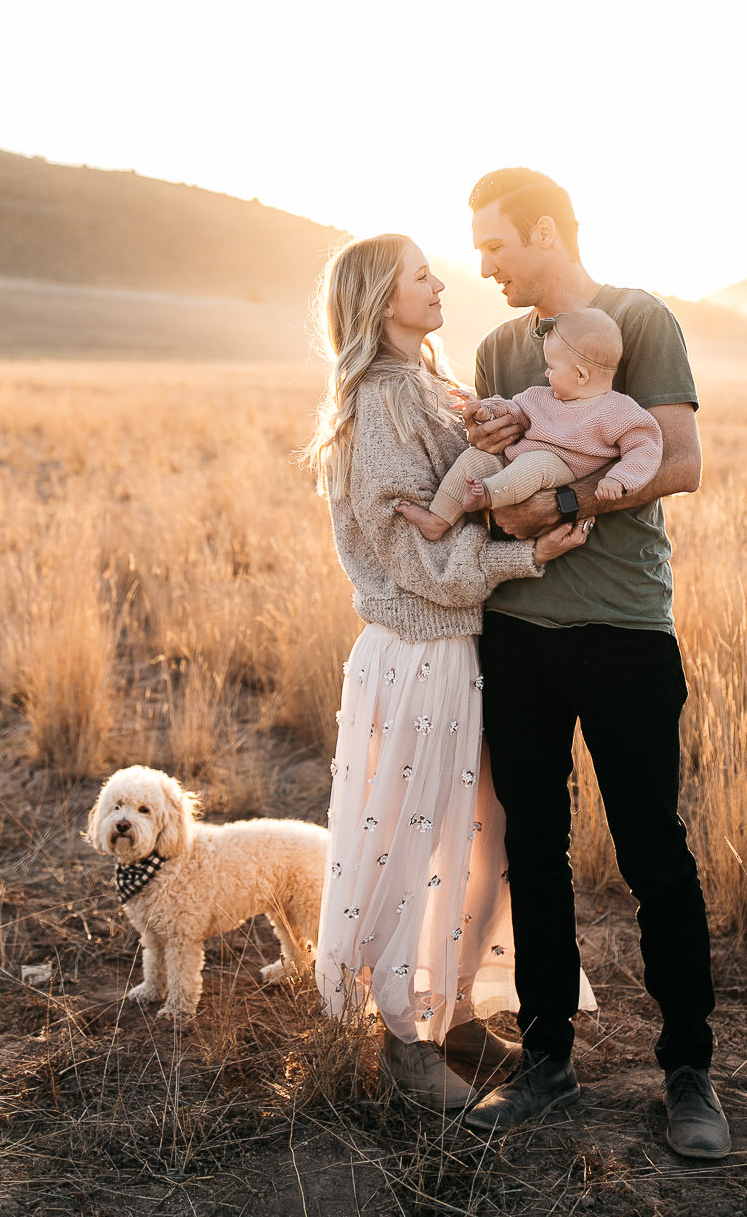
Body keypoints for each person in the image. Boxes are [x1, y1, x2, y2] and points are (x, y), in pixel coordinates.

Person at [455, 169, 731, 1161]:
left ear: (547, 231)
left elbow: (682, 460)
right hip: (517, 636)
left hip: (623, 634)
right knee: (534, 849)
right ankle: (547, 1062)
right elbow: (488, 479)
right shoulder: (496, 348)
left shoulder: (640, 319)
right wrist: (485, 476)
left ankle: (689, 1072)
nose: (483, 264)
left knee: (655, 851)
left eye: (496, 244)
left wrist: (565, 507)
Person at [305, 233, 594, 1112]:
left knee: (480, 838)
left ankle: (456, 1012)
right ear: (380, 299)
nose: (440, 284)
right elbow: (412, 560)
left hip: (455, 646)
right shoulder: (384, 400)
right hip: (420, 650)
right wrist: (527, 554)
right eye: (421, 274)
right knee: (417, 841)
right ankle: (405, 1042)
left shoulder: (426, 385)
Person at [396, 308, 662, 537]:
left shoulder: (618, 410)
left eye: (552, 367)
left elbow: (645, 447)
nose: (546, 373)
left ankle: (487, 496)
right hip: (517, 467)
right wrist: (484, 410)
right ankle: (438, 520)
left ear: (581, 374)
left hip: (565, 475)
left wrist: (619, 479)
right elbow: (514, 411)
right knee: (474, 458)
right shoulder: (540, 396)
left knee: (540, 462)